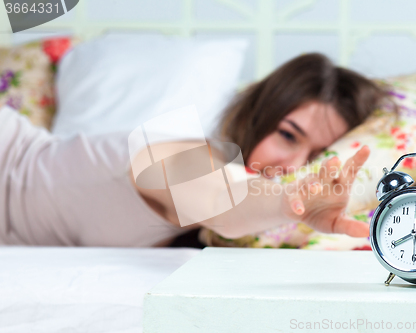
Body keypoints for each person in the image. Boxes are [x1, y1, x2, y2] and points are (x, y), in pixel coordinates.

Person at [0, 53, 390, 247]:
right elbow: (220, 194)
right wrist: (289, 199)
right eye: (288, 135)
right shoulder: (180, 152)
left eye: (315, 155)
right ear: (256, 114)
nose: (293, 164)